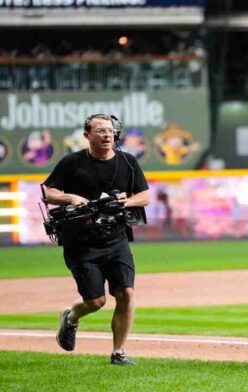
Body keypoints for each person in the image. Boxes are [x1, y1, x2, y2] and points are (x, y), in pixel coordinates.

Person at [43, 114, 149, 365]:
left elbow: (144, 195)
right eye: (100, 130)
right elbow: (49, 193)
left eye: (110, 130)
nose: (107, 135)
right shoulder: (72, 162)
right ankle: (71, 316)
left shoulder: (128, 161)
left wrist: (128, 201)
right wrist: (71, 198)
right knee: (96, 301)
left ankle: (119, 353)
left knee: (126, 293)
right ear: (87, 135)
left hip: (117, 237)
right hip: (81, 241)